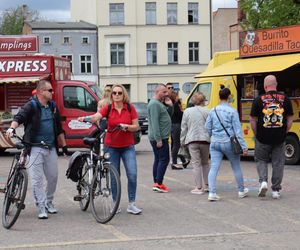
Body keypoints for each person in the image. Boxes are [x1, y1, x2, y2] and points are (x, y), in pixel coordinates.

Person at [6, 80, 67, 219]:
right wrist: (12, 128)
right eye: (49, 90)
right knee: (37, 179)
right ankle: (41, 205)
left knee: (53, 177)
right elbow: (19, 117)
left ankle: (49, 202)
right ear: (41, 92)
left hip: (50, 147)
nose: (52, 92)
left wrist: (64, 146)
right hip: (35, 147)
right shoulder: (31, 105)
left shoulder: (53, 107)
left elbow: (59, 128)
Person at [78, 84, 142, 215]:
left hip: (127, 146)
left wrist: (127, 127)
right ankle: (115, 203)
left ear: (124, 95)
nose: (117, 95)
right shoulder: (107, 109)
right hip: (111, 147)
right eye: (114, 93)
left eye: (119, 93)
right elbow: (96, 117)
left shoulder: (130, 108)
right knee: (114, 175)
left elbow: (136, 126)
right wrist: (84, 118)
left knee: (132, 174)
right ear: (111, 95)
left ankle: (131, 204)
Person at [250, 75, 293, 199]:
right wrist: (285, 131)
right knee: (278, 163)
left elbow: (253, 120)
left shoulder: (258, 100)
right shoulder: (285, 99)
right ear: (276, 84)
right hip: (279, 137)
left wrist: (256, 134)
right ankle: (275, 190)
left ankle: (263, 182)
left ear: (265, 86)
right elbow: (290, 118)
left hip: (262, 137)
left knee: (261, 160)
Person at [205, 86, 248, 201]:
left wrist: (213, 136)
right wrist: (244, 146)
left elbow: (207, 127)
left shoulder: (212, 110)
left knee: (214, 168)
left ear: (219, 97)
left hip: (214, 143)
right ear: (229, 97)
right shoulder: (233, 111)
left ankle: (212, 193)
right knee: (236, 167)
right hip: (228, 142)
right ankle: (241, 190)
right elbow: (238, 131)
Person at [181, 92, 210, 194]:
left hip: (192, 140)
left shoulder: (187, 111)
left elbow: (184, 128)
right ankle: (207, 185)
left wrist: (182, 141)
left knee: (196, 164)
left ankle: (198, 187)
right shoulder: (208, 111)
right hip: (205, 140)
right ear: (203, 100)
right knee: (205, 163)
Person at [148, 84, 173, 193]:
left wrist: (170, 106)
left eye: (166, 92)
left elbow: (168, 116)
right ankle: (158, 183)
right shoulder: (154, 104)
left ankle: (157, 182)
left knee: (159, 159)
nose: (166, 94)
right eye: (164, 92)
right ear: (157, 91)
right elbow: (155, 122)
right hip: (159, 137)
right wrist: (158, 139)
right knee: (164, 159)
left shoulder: (159, 103)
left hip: (161, 136)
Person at [169, 90, 189, 170]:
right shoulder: (175, 105)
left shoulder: (171, 105)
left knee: (177, 144)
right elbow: (181, 115)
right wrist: (184, 112)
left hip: (173, 125)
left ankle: (184, 161)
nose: (178, 97)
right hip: (177, 125)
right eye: (177, 96)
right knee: (177, 145)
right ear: (174, 97)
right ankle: (174, 163)